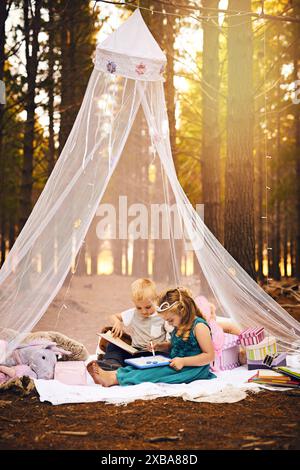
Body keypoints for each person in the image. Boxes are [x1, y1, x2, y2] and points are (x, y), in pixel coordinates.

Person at [87, 286, 216, 387]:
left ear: (182, 311)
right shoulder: (180, 325)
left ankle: (113, 379)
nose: (170, 323)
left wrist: (183, 361)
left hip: (193, 369)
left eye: (170, 320)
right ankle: (112, 373)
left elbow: (209, 356)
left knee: (155, 373)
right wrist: (161, 346)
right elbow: (177, 345)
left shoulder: (199, 327)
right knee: (143, 367)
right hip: (176, 362)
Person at [97, 278, 170, 370]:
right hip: (135, 352)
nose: (143, 311)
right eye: (139, 308)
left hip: (155, 354)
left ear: (156, 300)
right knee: (113, 344)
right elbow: (113, 316)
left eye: (148, 307)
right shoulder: (133, 313)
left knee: (165, 357)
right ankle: (112, 362)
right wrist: (117, 322)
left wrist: (161, 346)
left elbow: (171, 341)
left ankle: (126, 364)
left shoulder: (162, 315)